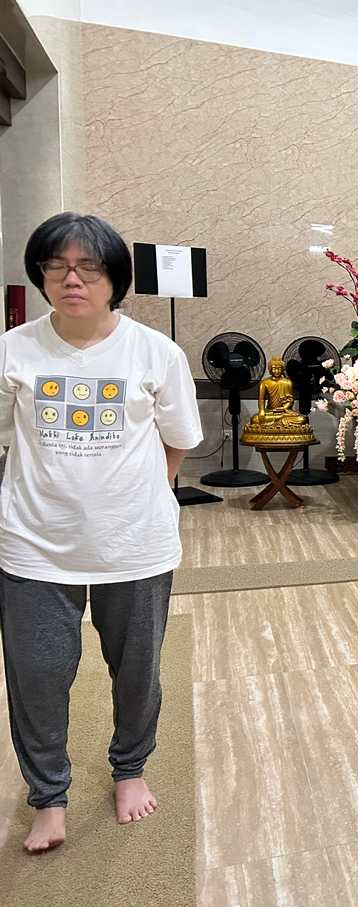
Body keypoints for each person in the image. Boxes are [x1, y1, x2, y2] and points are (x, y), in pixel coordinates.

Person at [0, 212, 203, 853]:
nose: (72, 279)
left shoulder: (155, 352)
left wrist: (142, 497)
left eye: (89, 267)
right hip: (33, 544)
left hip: (135, 546)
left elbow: (178, 440)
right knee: (36, 677)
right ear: (40, 276)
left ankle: (130, 769)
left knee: (137, 671)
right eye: (56, 267)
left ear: (115, 278)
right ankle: (48, 797)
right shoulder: (14, 350)